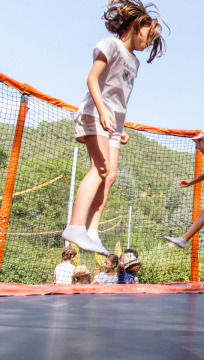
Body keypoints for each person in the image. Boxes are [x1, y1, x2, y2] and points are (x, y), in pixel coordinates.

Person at [61, 0, 168, 256]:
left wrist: (119, 127)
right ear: (137, 25)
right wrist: (102, 110)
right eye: (148, 36)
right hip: (95, 113)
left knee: (110, 176)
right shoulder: (110, 45)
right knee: (100, 168)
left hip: (114, 125)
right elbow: (92, 79)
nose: (149, 42)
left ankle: (92, 231)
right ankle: (74, 226)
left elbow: (121, 96)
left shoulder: (135, 62)